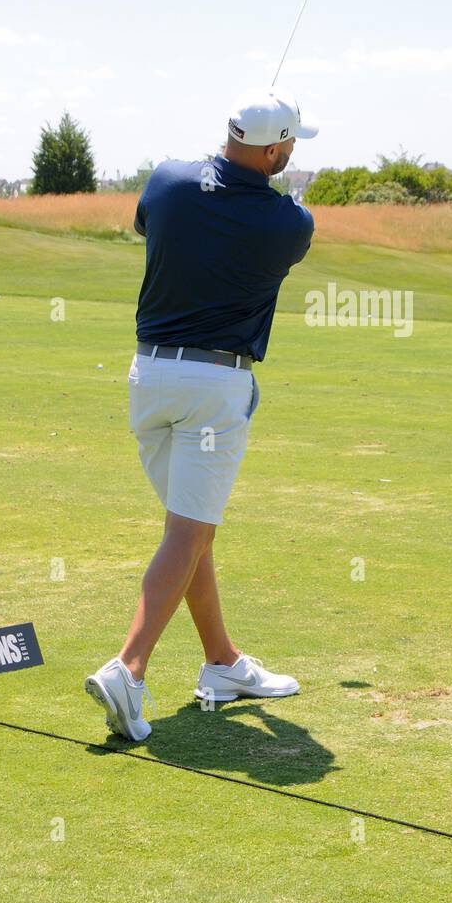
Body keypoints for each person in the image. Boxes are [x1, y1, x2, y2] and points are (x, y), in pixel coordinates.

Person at [84, 89, 316, 740]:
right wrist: (285, 189)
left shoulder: (164, 180)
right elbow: (281, 218)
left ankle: (222, 663)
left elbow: (158, 218)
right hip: (214, 387)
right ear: (273, 149)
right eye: (290, 146)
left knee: (192, 530)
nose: (292, 154)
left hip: (148, 376)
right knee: (188, 533)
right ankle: (128, 670)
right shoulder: (288, 223)